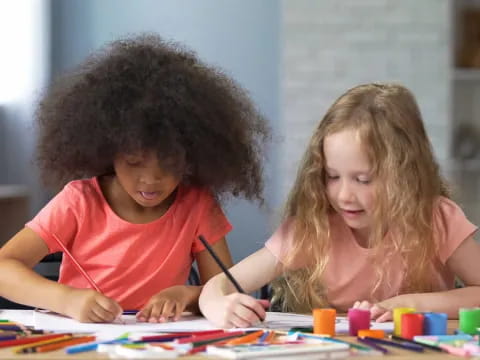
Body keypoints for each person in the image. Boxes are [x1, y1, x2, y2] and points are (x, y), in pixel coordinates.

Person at [0, 34, 269, 323]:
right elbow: (4, 268)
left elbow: (223, 289)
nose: (151, 179)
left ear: (191, 156)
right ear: (108, 150)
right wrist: (66, 300)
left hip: (164, 345)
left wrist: (185, 296)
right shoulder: (78, 202)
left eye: (168, 164)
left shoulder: (198, 205)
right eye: (134, 163)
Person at [199, 83, 480, 328]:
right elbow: (218, 285)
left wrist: (410, 305)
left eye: (363, 179)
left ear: (405, 174)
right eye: (332, 176)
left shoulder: (436, 218)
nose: (344, 195)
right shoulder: (314, 226)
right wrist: (218, 306)